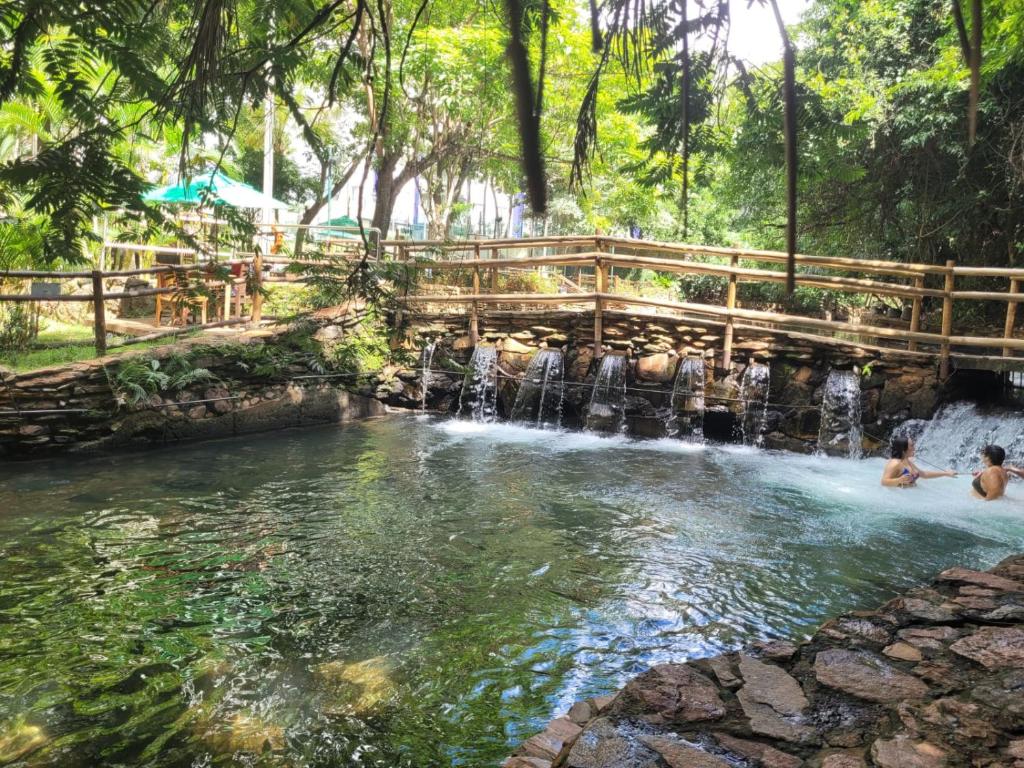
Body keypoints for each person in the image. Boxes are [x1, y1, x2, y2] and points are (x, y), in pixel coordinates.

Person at [880, 437, 956, 487]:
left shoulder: (906, 460)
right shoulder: (895, 463)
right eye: (912, 446)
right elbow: (884, 482)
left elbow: (924, 474)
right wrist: (899, 480)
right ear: (903, 450)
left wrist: (946, 473)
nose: (914, 448)